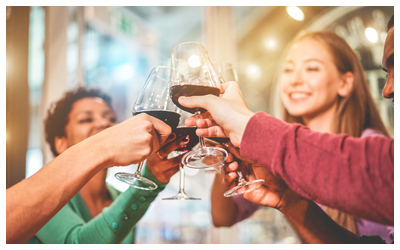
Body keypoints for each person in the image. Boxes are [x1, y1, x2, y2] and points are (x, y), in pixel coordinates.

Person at [181, 16, 394, 226]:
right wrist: (225, 155)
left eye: (312, 68)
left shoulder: (371, 151)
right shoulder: (279, 154)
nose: (295, 80)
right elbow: (223, 218)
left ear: (345, 82)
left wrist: (246, 126)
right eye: (288, 69)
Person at [22, 88, 186, 244]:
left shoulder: (120, 197)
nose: (104, 123)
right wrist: (147, 182)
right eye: (86, 119)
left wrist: (155, 173)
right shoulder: (46, 195)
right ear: (61, 143)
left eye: (111, 118)